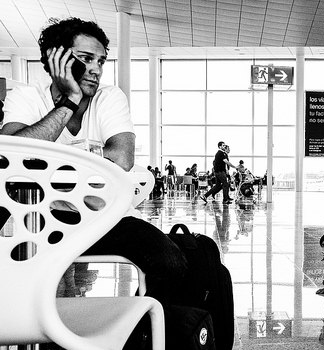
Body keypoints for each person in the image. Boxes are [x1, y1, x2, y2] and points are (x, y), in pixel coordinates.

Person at [0, 17, 187, 307]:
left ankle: (145, 330)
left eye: (101, 61)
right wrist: (69, 102)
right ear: (55, 59)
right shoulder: (27, 97)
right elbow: (11, 155)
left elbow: (122, 158)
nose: (96, 69)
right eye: (87, 58)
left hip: (102, 217)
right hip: (37, 217)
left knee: (171, 261)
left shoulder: (109, 98)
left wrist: (45, 161)